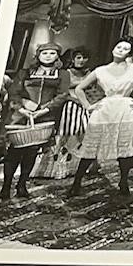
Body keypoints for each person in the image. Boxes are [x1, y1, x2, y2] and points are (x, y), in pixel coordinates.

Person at [69, 38, 133, 200]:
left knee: (124, 148)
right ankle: (76, 183)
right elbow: (79, 88)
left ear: (129, 54)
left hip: (126, 110)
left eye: (125, 49)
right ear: (113, 49)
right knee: (91, 146)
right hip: (105, 110)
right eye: (119, 47)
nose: (120, 50)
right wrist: (88, 106)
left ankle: (123, 182)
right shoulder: (100, 70)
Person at [0, 41, 70, 202]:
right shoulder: (25, 72)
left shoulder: (63, 74)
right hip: (21, 115)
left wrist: (43, 110)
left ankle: (22, 184)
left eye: (52, 53)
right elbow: (14, 92)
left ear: (57, 56)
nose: (48, 56)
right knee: (14, 151)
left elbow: (62, 95)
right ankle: (6, 185)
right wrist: (22, 108)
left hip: (44, 115)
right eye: (44, 53)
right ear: (38, 55)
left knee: (32, 150)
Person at [32, 46, 95, 181]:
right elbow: (62, 92)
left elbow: (93, 90)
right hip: (68, 106)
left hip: (84, 106)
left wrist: (88, 103)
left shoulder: (90, 73)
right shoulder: (66, 73)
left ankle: (78, 167)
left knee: (83, 133)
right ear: (73, 59)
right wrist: (75, 100)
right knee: (65, 133)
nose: (81, 60)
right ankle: (58, 169)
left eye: (84, 58)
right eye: (78, 57)